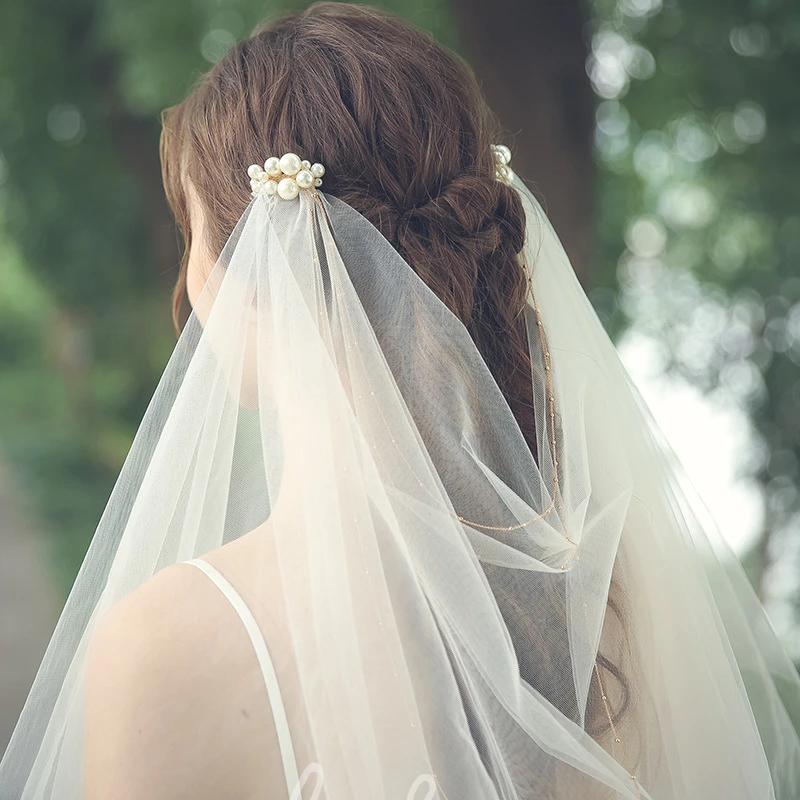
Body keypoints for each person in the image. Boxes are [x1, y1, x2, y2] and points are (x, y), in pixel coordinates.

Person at [2, 3, 800, 798]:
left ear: (264, 257)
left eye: (195, 236)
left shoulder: (163, 647)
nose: (186, 288)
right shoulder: (600, 614)